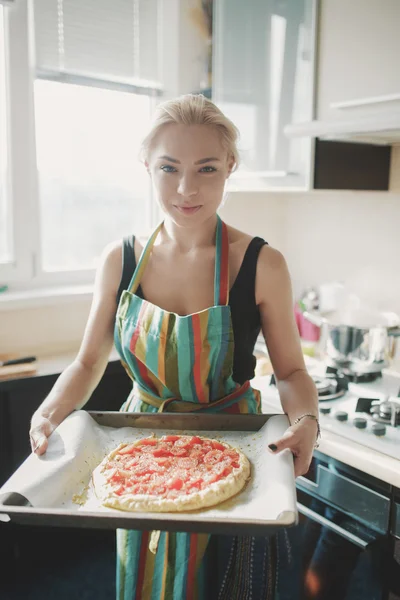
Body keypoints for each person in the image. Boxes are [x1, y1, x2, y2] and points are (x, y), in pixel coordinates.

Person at [29, 94, 319, 599]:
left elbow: (291, 373)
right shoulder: (119, 260)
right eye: (169, 168)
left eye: (206, 168)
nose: (187, 189)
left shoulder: (262, 264)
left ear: (230, 166)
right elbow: (89, 360)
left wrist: (306, 423)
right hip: (142, 454)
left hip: (238, 451)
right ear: (146, 165)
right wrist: (50, 410)